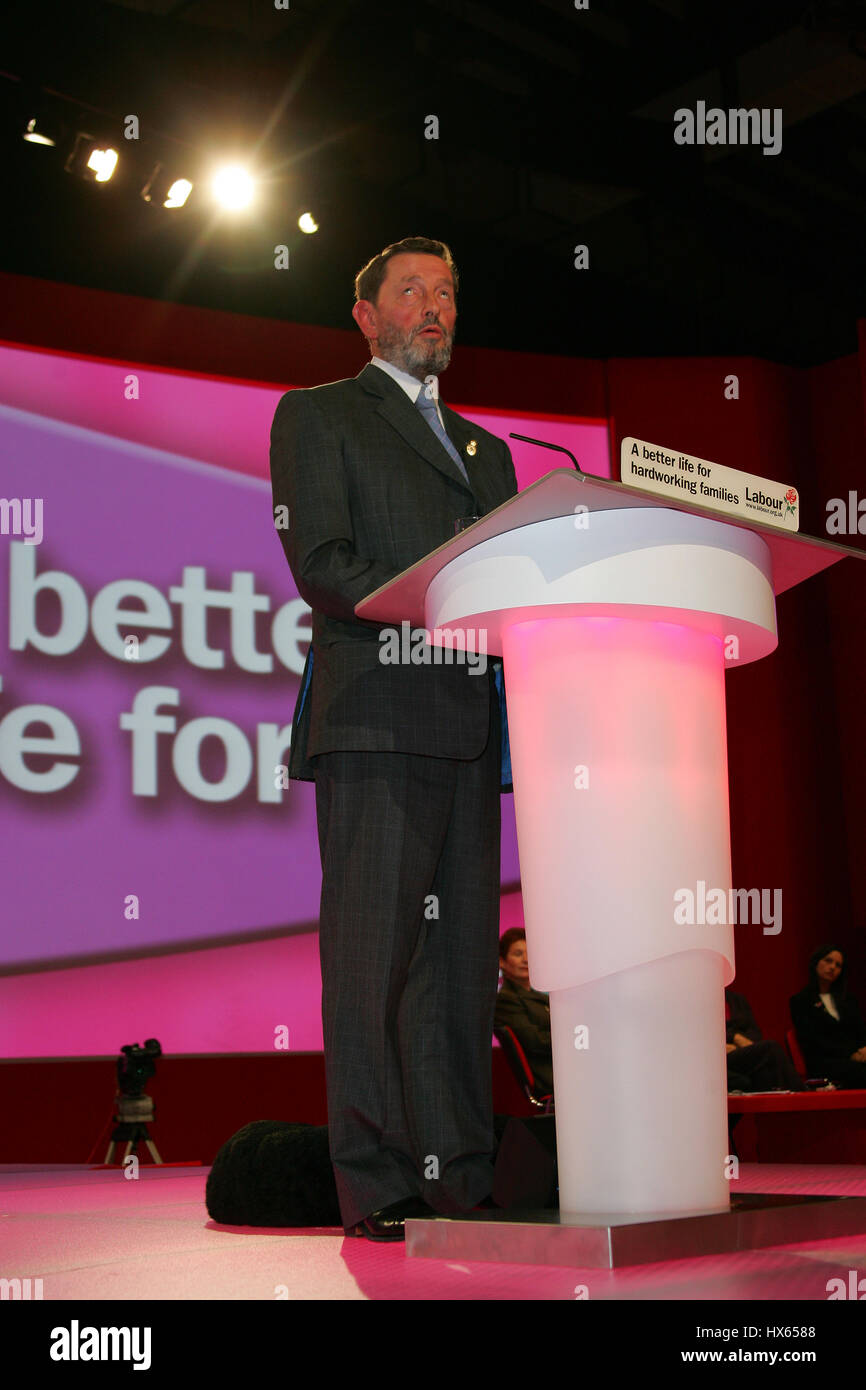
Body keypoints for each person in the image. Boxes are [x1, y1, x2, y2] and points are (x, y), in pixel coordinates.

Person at [269, 236, 518, 1240]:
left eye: (447, 292)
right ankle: (373, 1182)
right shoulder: (319, 413)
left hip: (468, 729)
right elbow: (325, 561)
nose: (435, 306)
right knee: (373, 966)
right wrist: (446, 602)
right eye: (411, 291)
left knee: (461, 968)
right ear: (366, 317)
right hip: (376, 717)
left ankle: (458, 1175)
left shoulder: (492, 453)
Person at [790, 944, 866, 1089]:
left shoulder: (848, 1000)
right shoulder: (800, 1001)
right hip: (823, 1061)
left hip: (855, 1059)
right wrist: (850, 1054)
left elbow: (860, 1031)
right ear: (816, 962)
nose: (832, 967)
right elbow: (811, 1040)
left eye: (838, 965)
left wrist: (863, 1050)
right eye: (828, 961)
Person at [493, 927, 553, 1096]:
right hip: (548, 1077)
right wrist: (573, 1037)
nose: (526, 960)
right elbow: (536, 1042)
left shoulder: (539, 996)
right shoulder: (506, 1000)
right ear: (502, 962)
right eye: (518, 954)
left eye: (530, 953)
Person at [724, 987, 805, 1092]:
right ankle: (801, 1093)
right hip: (718, 1056)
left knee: (765, 1064)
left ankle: (782, 1103)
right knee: (770, 1048)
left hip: (741, 1048)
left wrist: (739, 1043)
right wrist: (734, 1037)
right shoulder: (700, 1000)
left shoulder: (737, 999)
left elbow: (755, 1032)